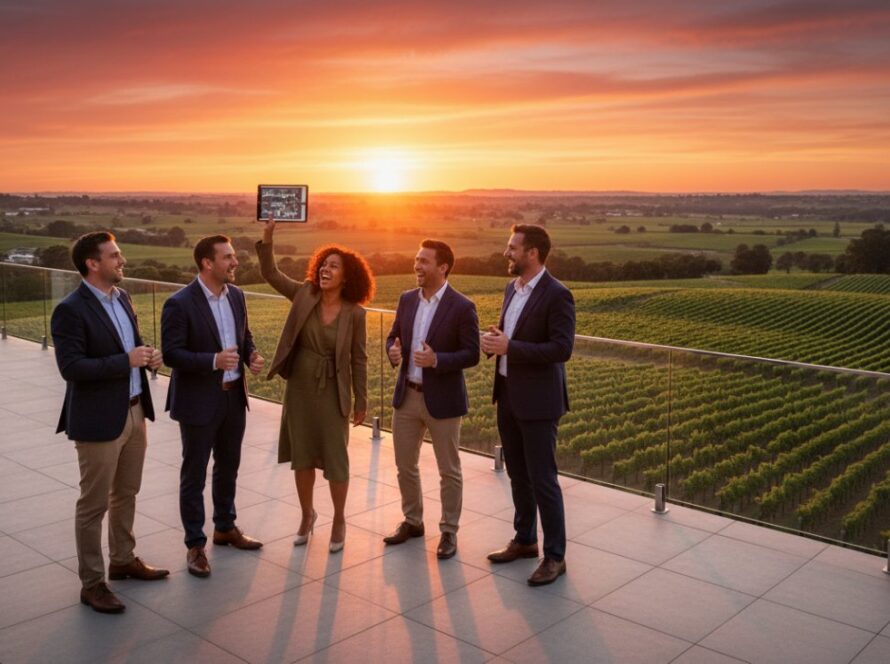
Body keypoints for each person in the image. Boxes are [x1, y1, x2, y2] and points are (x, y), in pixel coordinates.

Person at [51, 231, 169, 614]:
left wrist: (148, 356)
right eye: (114, 255)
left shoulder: (123, 298)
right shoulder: (70, 309)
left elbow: (130, 347)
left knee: (127, 492)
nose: (122, 261)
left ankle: (122, 560)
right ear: (92, 263)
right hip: (98, 421)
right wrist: (126, 361)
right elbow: (71, 367)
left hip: (135, 411)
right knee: (93, 505)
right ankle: (92, 584)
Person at [255, 220, 372, 553]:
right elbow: (271, 273)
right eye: (323, 264)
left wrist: (361, 400)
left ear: (346, 276)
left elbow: (359, 359)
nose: (325, 269)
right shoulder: (304, 294)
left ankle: (339, 519)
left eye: (334, 266)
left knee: (336, 458)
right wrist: (268, 236)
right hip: (301, 387)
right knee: (302, 455)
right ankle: (307, 515)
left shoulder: (355, 314)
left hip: (334, 390)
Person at [161, 235, 265, 578]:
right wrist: (213, 361)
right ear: (207, 263)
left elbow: (243, 335)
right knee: (194, 474)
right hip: (198, 401)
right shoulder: (179, 303)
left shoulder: (236, 295)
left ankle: (225, 527)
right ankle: (195, 545)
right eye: (228, 257)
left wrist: (251, 355)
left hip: (233, 397)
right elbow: (172, 354)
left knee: (228, 466)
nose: (235, 262)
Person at [480, 224, 575, 586]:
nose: (507, 253)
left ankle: (555, 557)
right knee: (518, 475)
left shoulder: (558, 294)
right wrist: (496, 340)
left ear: (532, 252)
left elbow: (561, 349)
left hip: (538, 402)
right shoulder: (512, 288)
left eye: (512, 247)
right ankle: (524, 540)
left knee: (543, 480)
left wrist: (511, 347)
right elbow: (514, 336)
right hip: (507, 394)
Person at [383, 240, 480, 559]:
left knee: (448, 470)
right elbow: (394, 336)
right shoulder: (407, 299)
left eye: (424, 261)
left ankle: (449, 531)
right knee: (404, 465)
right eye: (416, 259)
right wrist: (392, 350)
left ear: (443, 267)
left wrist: (437, 360)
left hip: (444, 402)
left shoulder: (462, 306)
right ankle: (413, 521)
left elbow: (472, 354)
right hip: (407, 396)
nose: (417, 266)